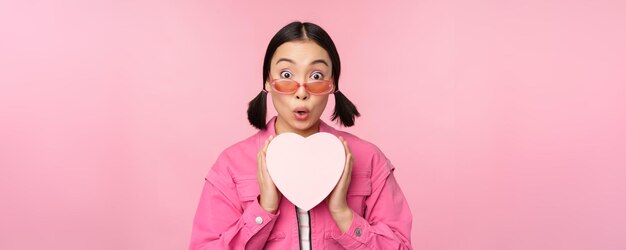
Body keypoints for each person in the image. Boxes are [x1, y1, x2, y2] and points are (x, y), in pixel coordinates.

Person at [189, 21, 413, 249]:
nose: (302, 92)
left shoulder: (369, 159)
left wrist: (343, 214)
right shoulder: (231, 165)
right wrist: (263, 210)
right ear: (267, 80)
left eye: (316, 76)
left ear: (332, 83)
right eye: (286, 74)